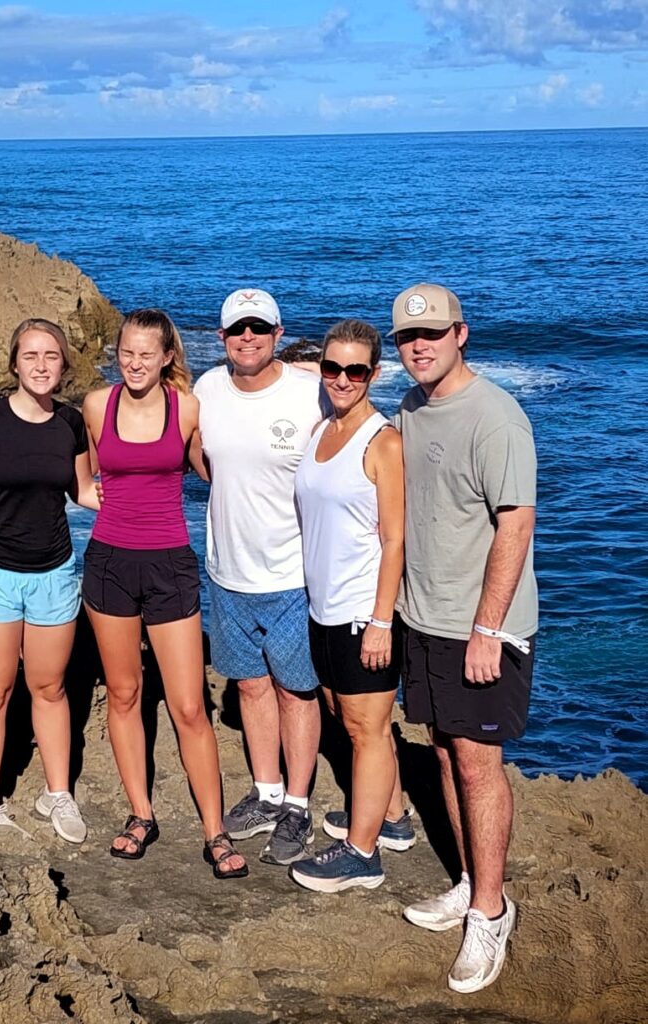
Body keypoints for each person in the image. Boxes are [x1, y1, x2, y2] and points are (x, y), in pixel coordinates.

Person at [391, 283, 537, 994]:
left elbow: (515, 525)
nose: (418, 347)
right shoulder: (413, 408)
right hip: (423, 616)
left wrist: (488, 630)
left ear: (461, 334)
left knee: (479, 764)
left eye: (433, 334)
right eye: (407, 339)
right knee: (445, 754)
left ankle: (491, 911)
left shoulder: (497, 418)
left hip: (478, 627)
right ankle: (471, 881)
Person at [81, 308, 248, 880]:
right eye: (126, 352)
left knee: (188, 706)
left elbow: (216, 469)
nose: (134, 363)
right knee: (124, 695)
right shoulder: (97, 406)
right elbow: (86, 476)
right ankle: (141, 815)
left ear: (167, 357)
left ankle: (215, 832)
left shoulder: (189, 408)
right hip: (108, 563)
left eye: (146, 354)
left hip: (171, 563)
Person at [0, 317, 97, 843]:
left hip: (53, 571)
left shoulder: (71, 424)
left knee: (49, 688)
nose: (41, 365)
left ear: (63, 364)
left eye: (51, 356)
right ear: (14, 364)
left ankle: (58, 794)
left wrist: (152, 492)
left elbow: (83, 491)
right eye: (31, 356)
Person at [192, 288, 325, 866]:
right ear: (222, 338)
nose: (248, 338)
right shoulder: (207, 388)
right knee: (249, 685)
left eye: (260, 328)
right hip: (227, 571)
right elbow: (200, 455)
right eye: (237, 330)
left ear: (277, 333)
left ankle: (298, 805)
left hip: (293, 574)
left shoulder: (309, 392)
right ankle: (267, 791)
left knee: (297, 691)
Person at [288, 319, 414, 894]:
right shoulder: (322, 430)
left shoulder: (382, 442)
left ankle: (362, 855)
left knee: (367, 729)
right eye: (331, 367)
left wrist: (382, 622)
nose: (341, 378)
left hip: (365, 612)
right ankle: (392, 817)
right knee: (348, 716)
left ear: (374, 374)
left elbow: (395, 539)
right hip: (324, 607)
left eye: (355, 370)